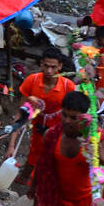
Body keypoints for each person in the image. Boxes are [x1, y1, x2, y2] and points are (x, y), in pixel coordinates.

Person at [17, 50, 75, 184]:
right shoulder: (32, 80)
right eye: (46, 66)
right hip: (37, 124)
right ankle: (25, 177)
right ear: (41, 64)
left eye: (53, 67)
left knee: (54, 154)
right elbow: (22, 108)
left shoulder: (68, 86)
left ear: (60, 66)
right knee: (34, 152)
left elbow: (73, 110)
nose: (49, 70)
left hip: (58, 127)